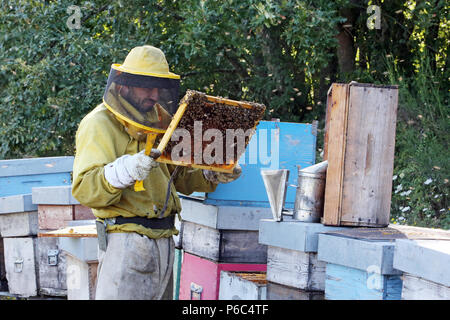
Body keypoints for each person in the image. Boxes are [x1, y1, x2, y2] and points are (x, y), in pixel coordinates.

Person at [71, 45, 241, 300]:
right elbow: (84, 189)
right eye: (146, 86)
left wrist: (211, 174)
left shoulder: (160, 120)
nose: (154, 94)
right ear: (125, 84)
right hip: (125, 239)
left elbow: (179, 178)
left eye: (158, 87)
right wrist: (123, 171)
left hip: (164, 240)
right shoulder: (99, 123)